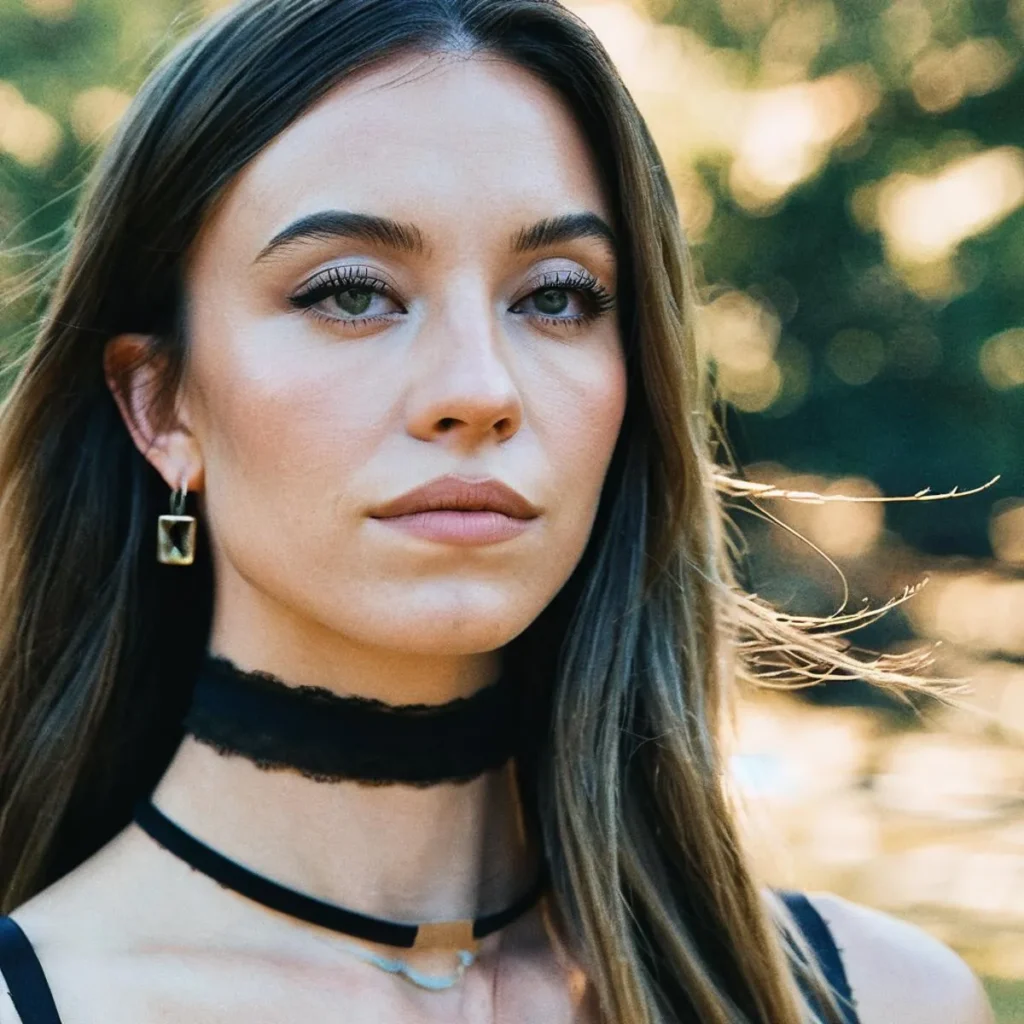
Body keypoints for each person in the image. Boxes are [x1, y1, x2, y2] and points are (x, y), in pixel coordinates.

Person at [0, 0, 996, 1021]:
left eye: (555, 297)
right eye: (350, 294)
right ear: (159, 404)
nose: (479, 388)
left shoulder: (881, 999)